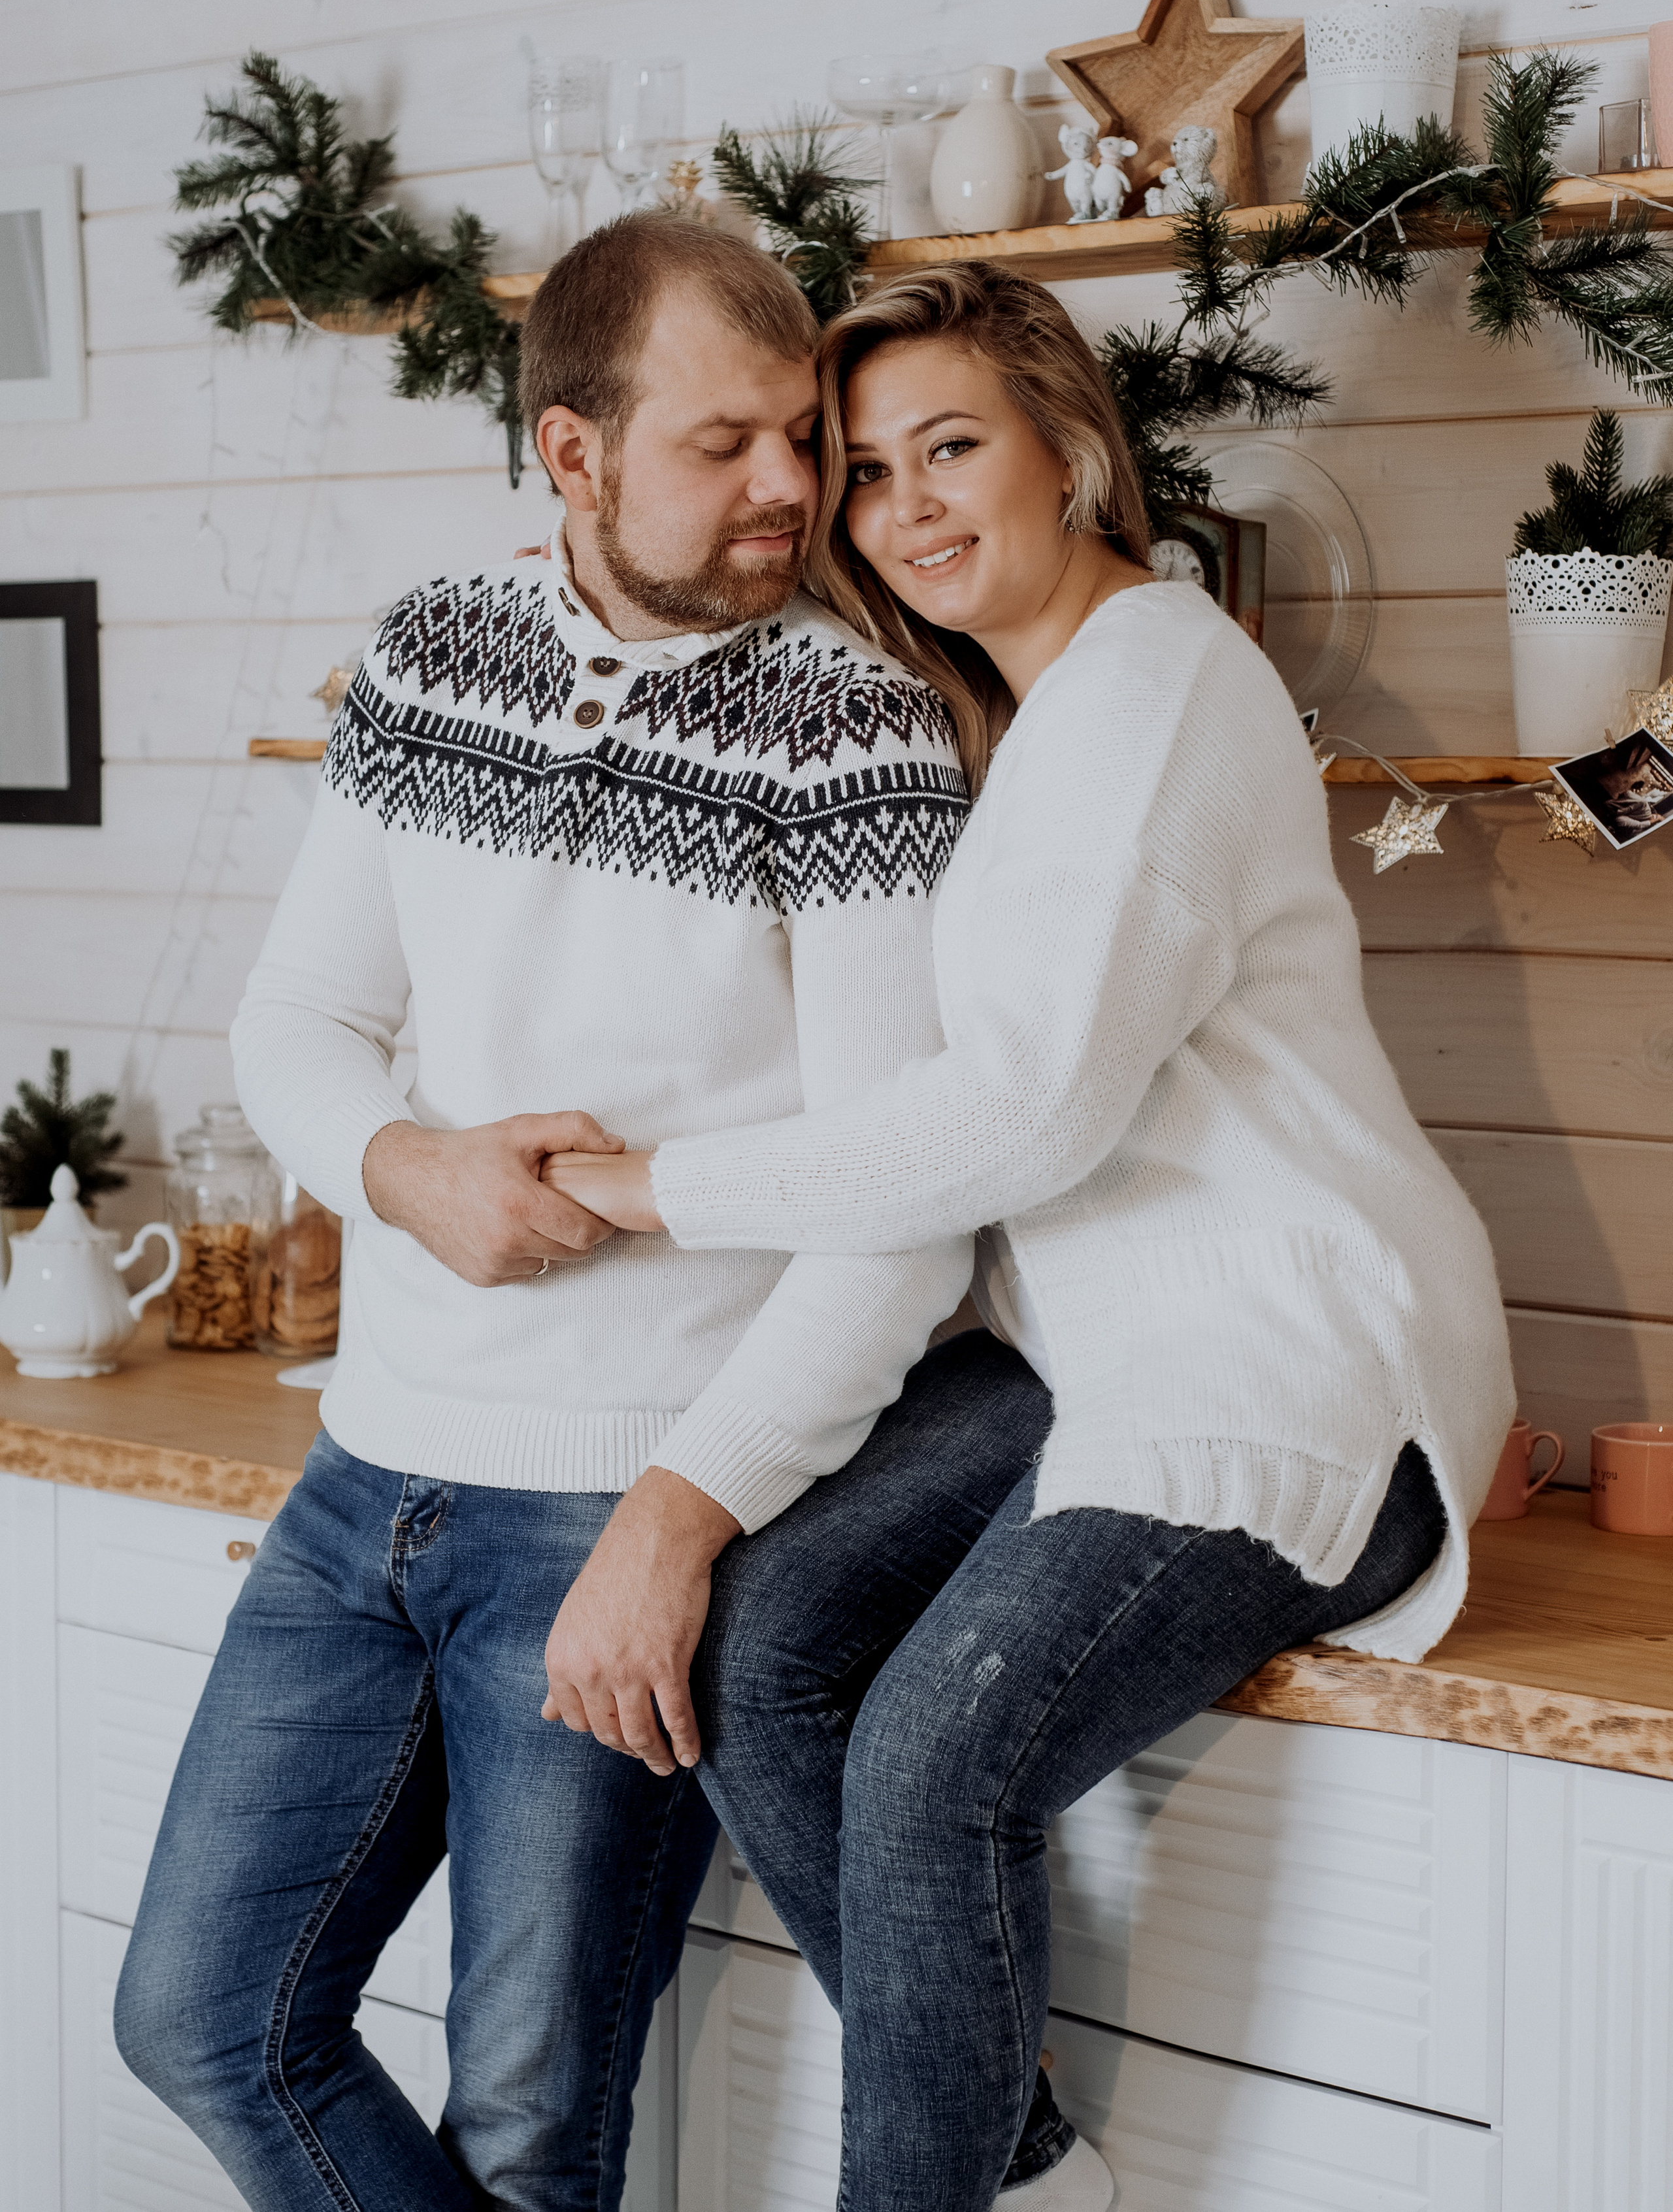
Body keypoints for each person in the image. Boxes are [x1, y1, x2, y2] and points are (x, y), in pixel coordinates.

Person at [537, 262, 1517, 2212]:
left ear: (1072, 447)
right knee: (766, 1644)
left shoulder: (1152, 677)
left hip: (1282, 1364)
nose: (905, 505)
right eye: (870, 469)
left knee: (925, 1765)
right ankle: (1033, 2171)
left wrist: (657, 1185)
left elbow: (1024, 1112)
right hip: (1097, 1354)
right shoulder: (1030, 713)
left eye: (953, 446)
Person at [112, 216, 1004, 2212]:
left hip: (616, 1515)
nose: (792, 487)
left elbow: (904, 1210)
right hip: (365, 1484)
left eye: (801, 434)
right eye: (724, 444)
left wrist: (678, 1519)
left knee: (530, 2133)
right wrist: (405, 1167)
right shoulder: (436, 647)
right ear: (573, 452)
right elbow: (302, 1016)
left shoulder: (855, 728)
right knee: (201, 2019)